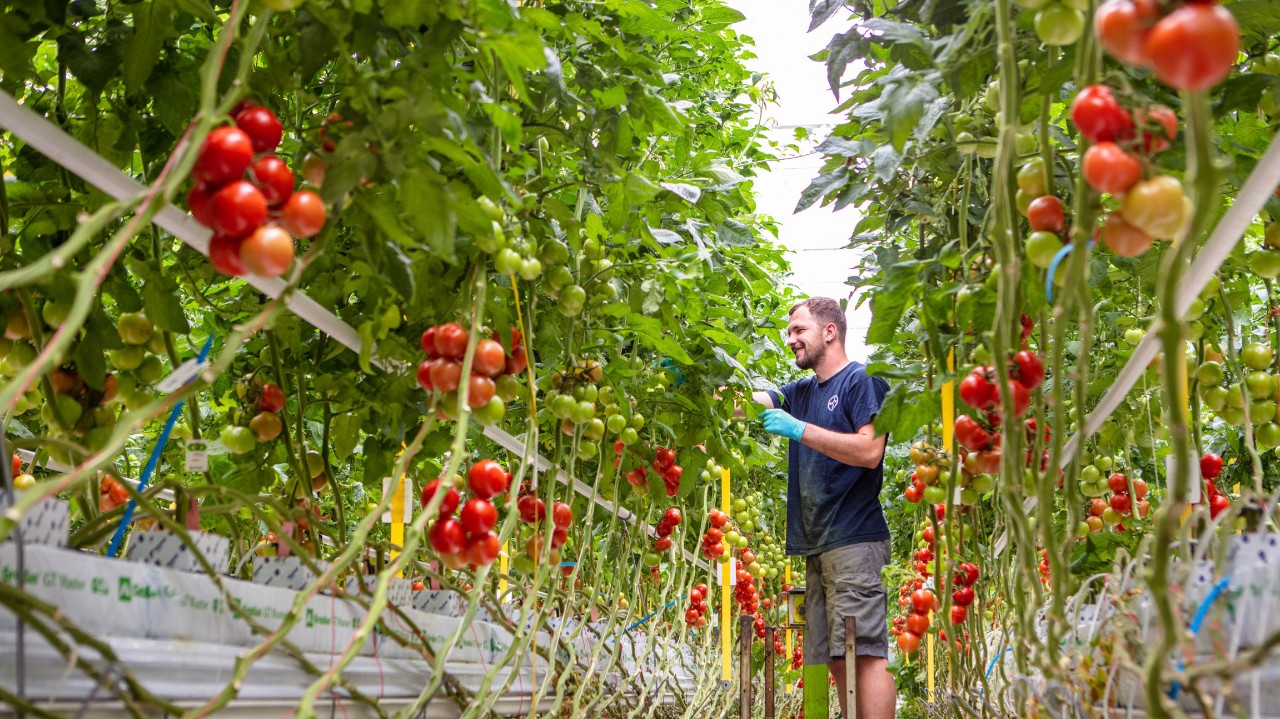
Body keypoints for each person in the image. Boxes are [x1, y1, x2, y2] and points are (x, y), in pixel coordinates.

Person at [752, 297, 895, 719]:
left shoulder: (862, 380)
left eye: (799, 330)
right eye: (789, 332)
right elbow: (755, 400)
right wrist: (709, 388)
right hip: (819, 542)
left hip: (855, 537)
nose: (791, 339)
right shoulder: (801, 392)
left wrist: (799, 429)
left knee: (863, 650)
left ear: (830, 331)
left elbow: (870, 450)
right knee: (837, 655)